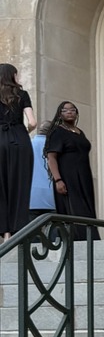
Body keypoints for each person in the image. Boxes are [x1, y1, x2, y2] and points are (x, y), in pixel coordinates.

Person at [45, 101, 99, 240]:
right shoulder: (57, 132)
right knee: (76, 211)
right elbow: (51, 157)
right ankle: (81, 241)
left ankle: (91, 240)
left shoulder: (80, 132)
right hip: (68, 178)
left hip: (84, 177)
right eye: (65, 110)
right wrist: (58, 180)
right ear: (59, 114)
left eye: (72, 110)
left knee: (87, 210)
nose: (69, 112)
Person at [0, 63, 36, 239]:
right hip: (19, 140)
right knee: (19, 185)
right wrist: (23, 133)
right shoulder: (22, 94)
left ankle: (4, 232)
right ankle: (15, 231)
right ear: (12, 76)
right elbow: (33, 122)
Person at [29, 121, 55, 223]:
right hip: (52, 197)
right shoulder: (56, 147)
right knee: (55, 237)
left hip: (31, 197)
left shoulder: (27, 145)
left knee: (31, 235)